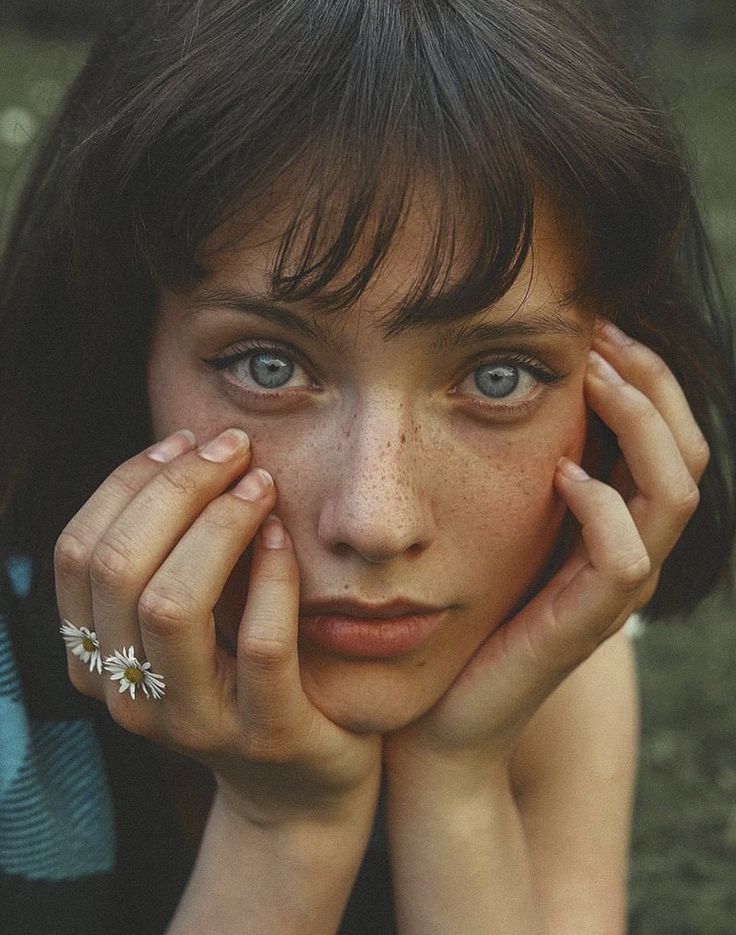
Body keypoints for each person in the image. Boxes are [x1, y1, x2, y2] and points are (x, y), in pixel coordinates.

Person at [0, 1, 734, 932]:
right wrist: (282, 828)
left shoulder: (538, 644)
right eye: (269, 366)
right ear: (118, 344)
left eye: (497, 374)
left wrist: (458, 785)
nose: (377, 522)